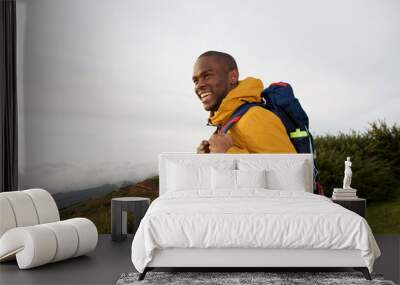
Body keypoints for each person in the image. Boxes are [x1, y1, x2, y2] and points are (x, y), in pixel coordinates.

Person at [192, 51, 296, 154]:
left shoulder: (255, 116)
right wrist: (206, 159)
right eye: (196, 81)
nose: (199, 85)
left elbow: (290, 169)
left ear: (233, 77)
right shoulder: (227, 121)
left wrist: (229, 153)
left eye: (207, 76)